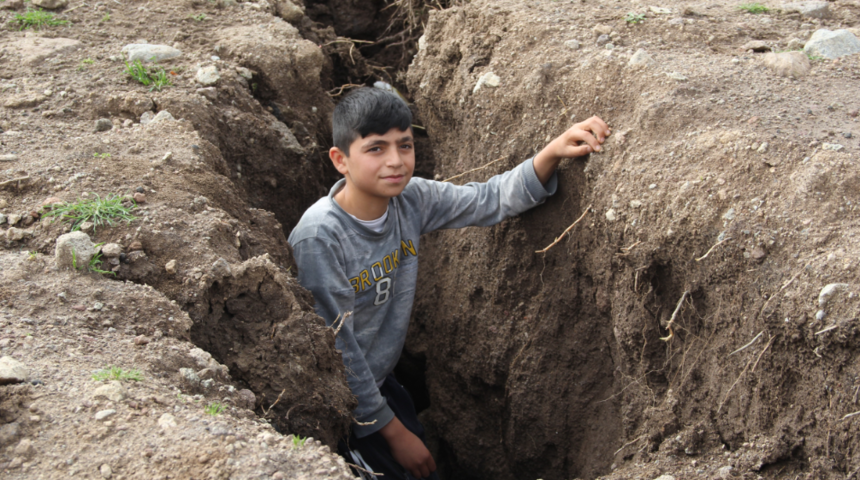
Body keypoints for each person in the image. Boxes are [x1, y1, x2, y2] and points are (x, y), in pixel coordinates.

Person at [288, 87, 610, 479]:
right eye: (376, 149)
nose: (395, 161)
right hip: (343, 403)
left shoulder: (411, 200)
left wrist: (552, 152)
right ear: (340, 160)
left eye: (404, 146)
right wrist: (391, 431)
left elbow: (487, 199)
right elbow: (336, 348)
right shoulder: (320, 237)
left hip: (380, 382)